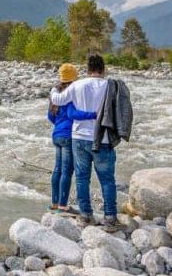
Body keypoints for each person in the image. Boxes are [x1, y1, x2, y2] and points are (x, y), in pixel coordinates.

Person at [50, 54, 123, 231]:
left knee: (82, 179)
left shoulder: (77, 84)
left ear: (87, 69)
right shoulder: (110, 85)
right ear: (103, 69)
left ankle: (85, 216)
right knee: (107, 180)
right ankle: (110, 218)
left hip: (78, 138)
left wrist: (53, 89)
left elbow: (57, 100)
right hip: (102, 139)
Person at [47, 63, 97, 215]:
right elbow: (72, 114)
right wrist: (94, 114)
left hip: (57, 135)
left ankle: (54, 204)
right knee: (67, 171)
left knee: (57, 169)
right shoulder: (71, 94)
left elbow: (51, 116)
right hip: (69, 136)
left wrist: (60, 126)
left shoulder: (56, 95)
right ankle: (63, 206)